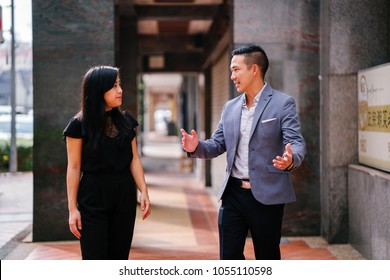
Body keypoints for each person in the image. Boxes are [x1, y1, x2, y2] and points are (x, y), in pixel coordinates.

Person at [180, 45, 306, 260]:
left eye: (236, 69)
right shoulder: (230, 107)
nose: (232, 76)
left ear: (254, 69)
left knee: (267, 258)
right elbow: (217, 144)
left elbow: (295, 141)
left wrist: (290, 158)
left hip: (267, 196)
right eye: (231, 70)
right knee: (228, 257)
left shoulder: (282, 103)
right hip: (233, 194)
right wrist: (196, 147)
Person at [63, 65, 151, 260]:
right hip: (93, 195)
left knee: (119, 257)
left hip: (124, 194)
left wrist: (143, 190)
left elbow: (134, 159)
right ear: (98, 89)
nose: (120, 90)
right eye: (114, 86)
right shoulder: (78, 125)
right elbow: (74, 167)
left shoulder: (126, 122)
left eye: (119, 85)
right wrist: (72, 209)